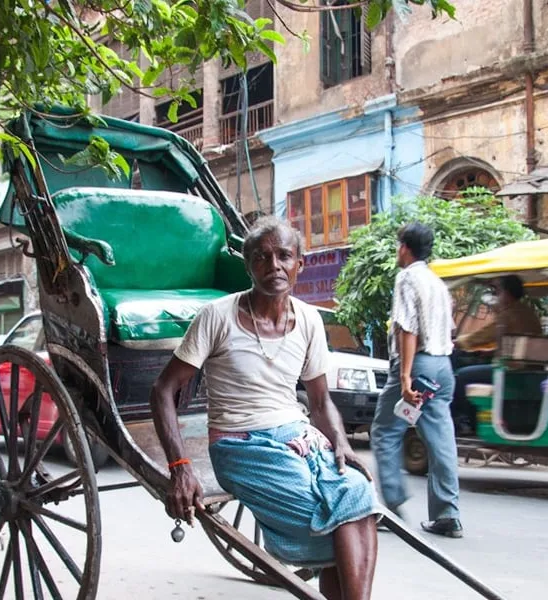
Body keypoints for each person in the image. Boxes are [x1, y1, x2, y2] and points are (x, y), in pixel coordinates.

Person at [150, 217, 379, 600]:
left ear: (299, 264)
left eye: (284, 256)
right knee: (331, 519)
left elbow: (320, 402)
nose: (274, 265)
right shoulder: (217, 316)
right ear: (249, 266)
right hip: (240, 444)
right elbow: (163, 390)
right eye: (262, 257)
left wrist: (341, 441)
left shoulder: (309, 319)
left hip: (300, 439)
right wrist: (180, 467)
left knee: (359, 492)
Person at [370, 222, 462, 538]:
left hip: (418, 366)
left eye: (399, 246)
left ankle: (392, 508)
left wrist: (406, 377)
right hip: (443, 367)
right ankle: (447, 514)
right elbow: (450, 329)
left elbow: (407, 329)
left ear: (405, 248)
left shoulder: (407, 278)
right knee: (441, 439)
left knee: (385, 431)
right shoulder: (437, 283)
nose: (398, 251)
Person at [452, 275, 543, 433]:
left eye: (498, 291)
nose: (496, 296)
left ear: (507, 293)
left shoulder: (509, 313)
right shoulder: (528, 312)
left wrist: (457, 342)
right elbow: (516, 344)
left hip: (510, 371)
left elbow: (482, 336)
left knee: (461, 376)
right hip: (525, 369)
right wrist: (488, 352)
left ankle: (464, 422)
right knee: (473, 368)